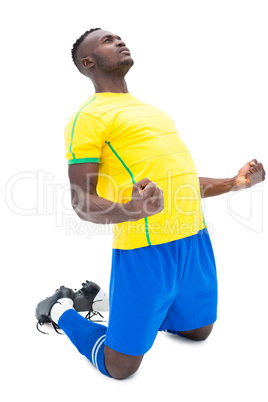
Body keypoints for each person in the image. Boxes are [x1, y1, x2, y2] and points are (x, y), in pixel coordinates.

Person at [35, 28, 266, 380]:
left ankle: (103, 302)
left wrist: (234, 183)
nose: (120, 41)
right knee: (120, 367)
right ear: (88, 61)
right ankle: (63, 310)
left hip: (194, 240)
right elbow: (82, 202)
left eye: (119, 37)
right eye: (108, 41)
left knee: (198, 332)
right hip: (146, 251)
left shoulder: (151, 111)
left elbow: (181, 183)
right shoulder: (88, 118)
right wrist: (133, 210)